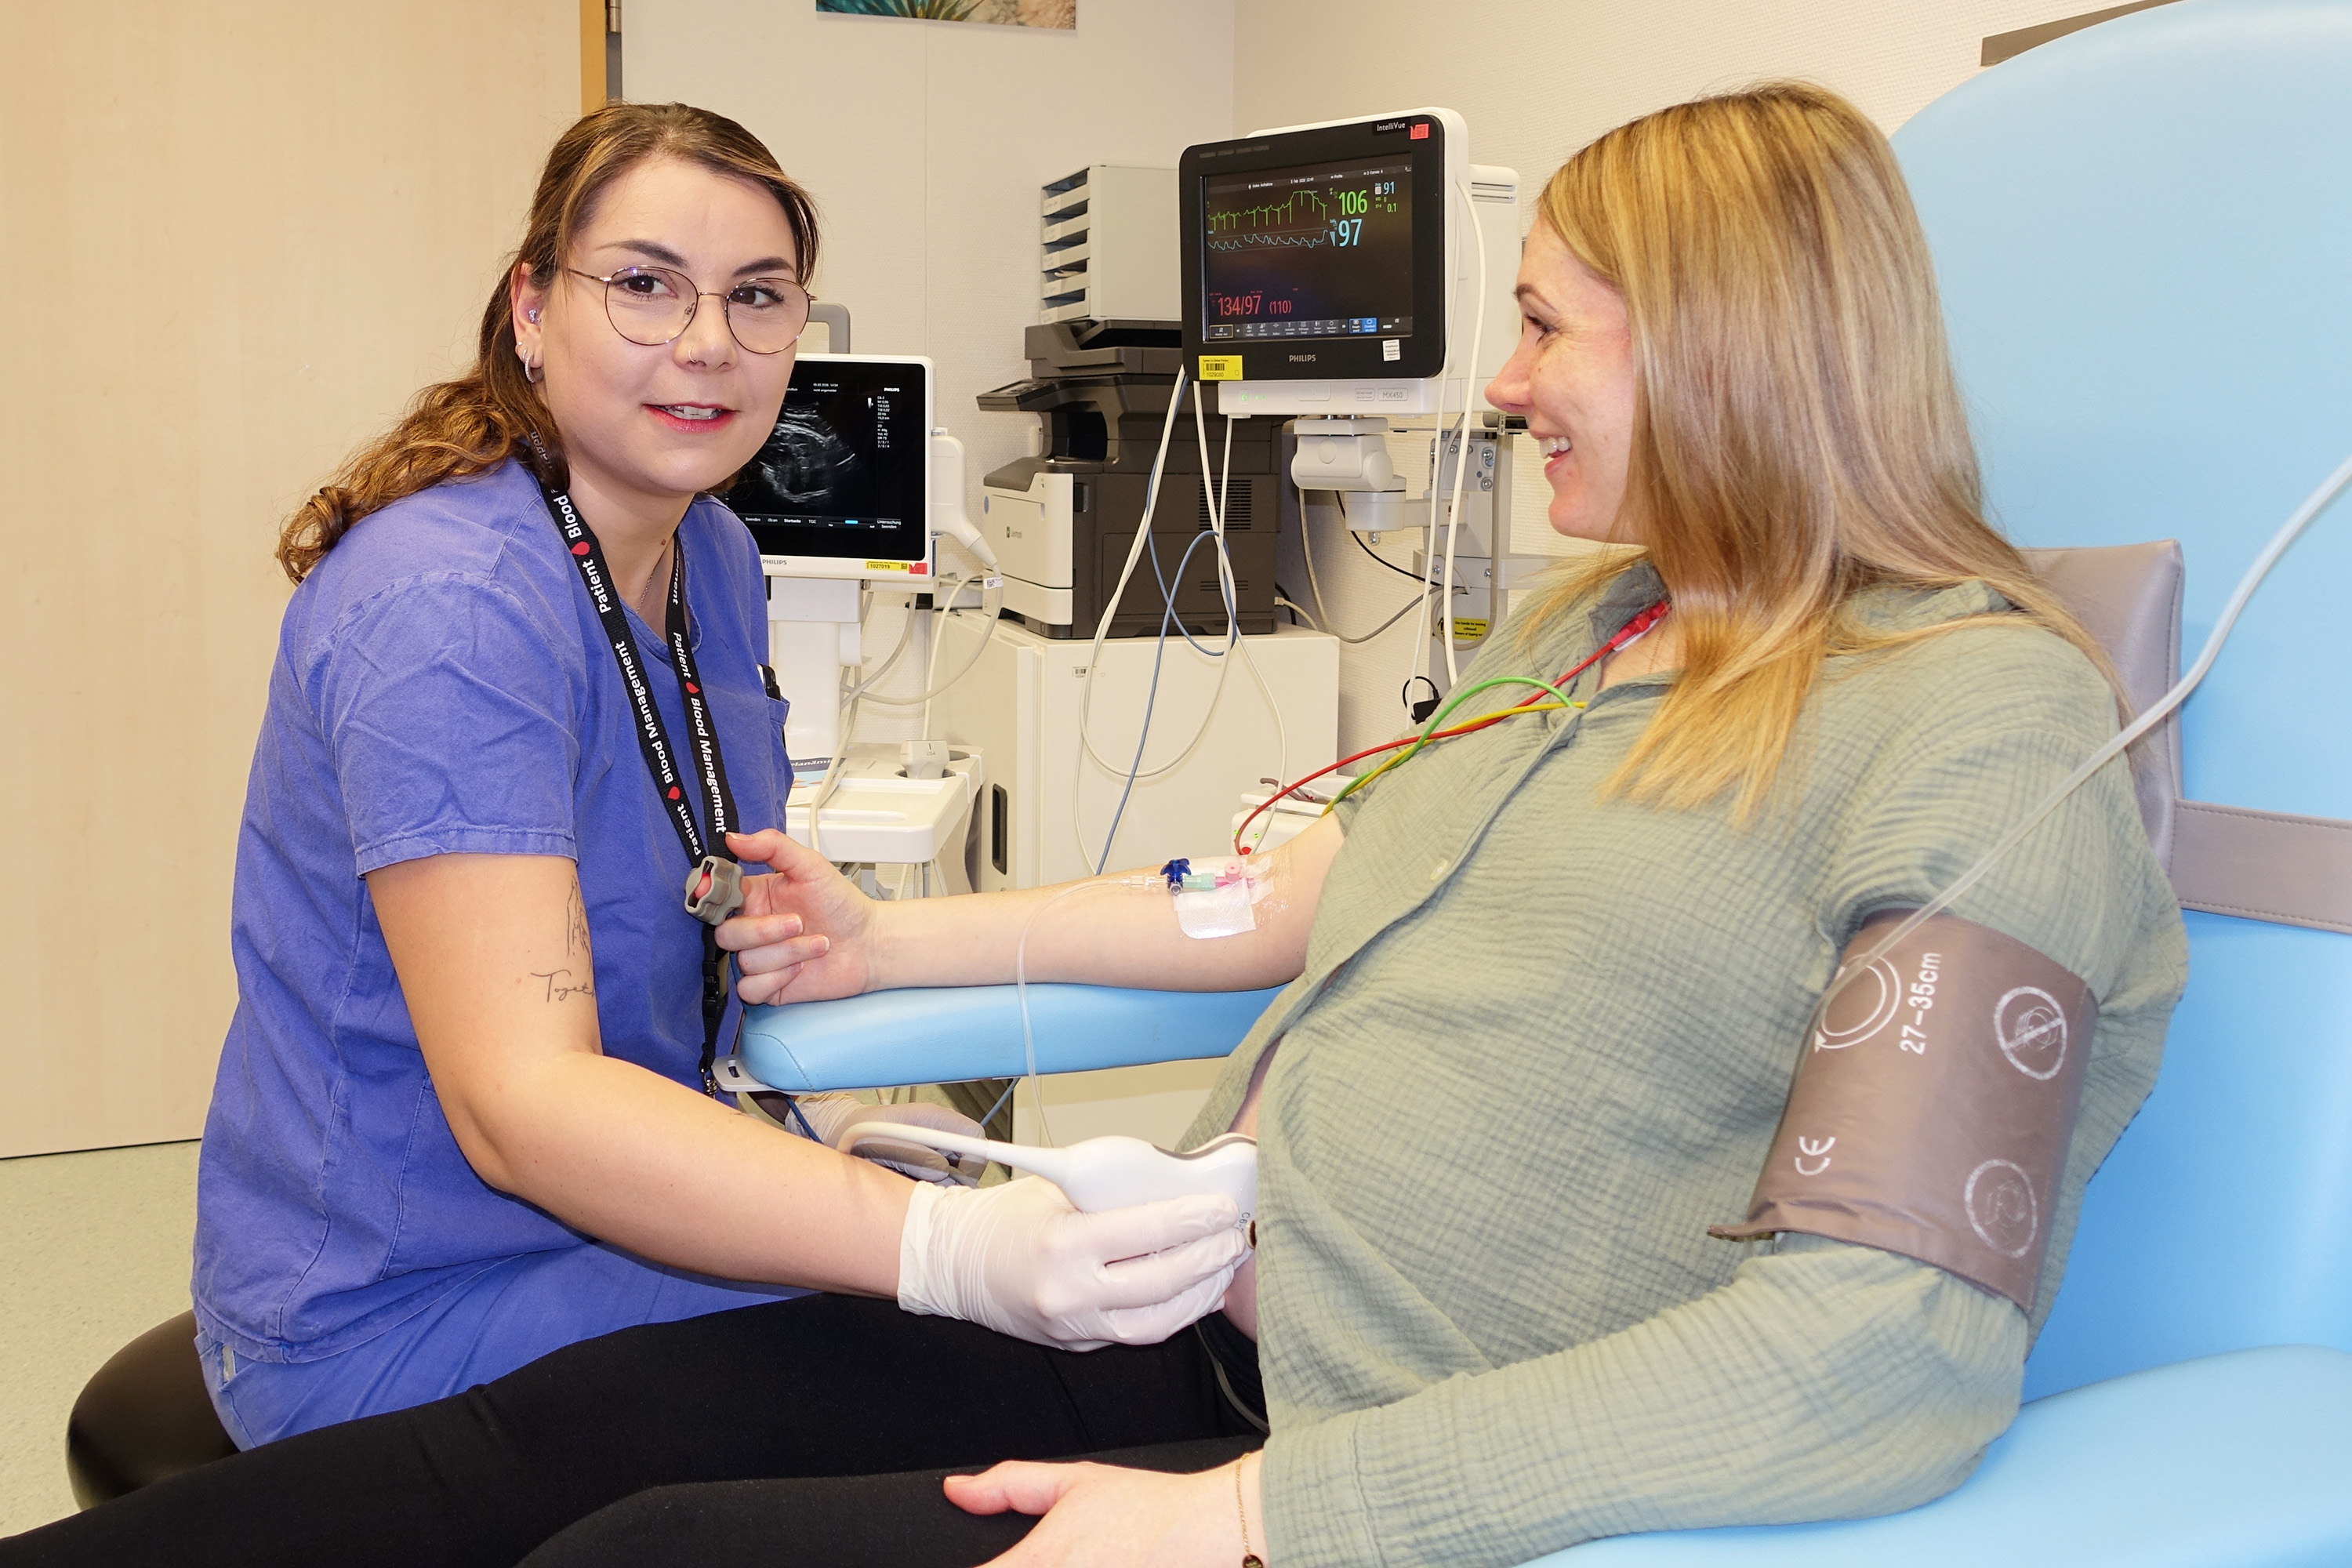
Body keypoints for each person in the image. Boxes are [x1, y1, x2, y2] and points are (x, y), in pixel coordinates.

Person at [3, 82, 2186, 1568]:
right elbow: (1314, 882)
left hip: (1343, 1425)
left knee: (641, 1553)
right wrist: (895, 959)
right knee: (568, 1465)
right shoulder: (1589, 628)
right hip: (1185, 1293)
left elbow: (1891, 1349)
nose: (1499, 383)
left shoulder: (1981, 736)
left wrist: (1250, 1515)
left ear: (1723, 343)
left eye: (1540, 325)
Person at [178, 100, 1249, 1450]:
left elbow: (682, 893)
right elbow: (528, 1108)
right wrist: (947, 1242)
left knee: (1085, 1363)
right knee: (1015, 1401)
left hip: (615, 1231)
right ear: (529, 307)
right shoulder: (448, 606)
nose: (706, 343)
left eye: (756, 297)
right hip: (402, 1309)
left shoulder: (715, 564)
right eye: (643, 286)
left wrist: (840, 1070)